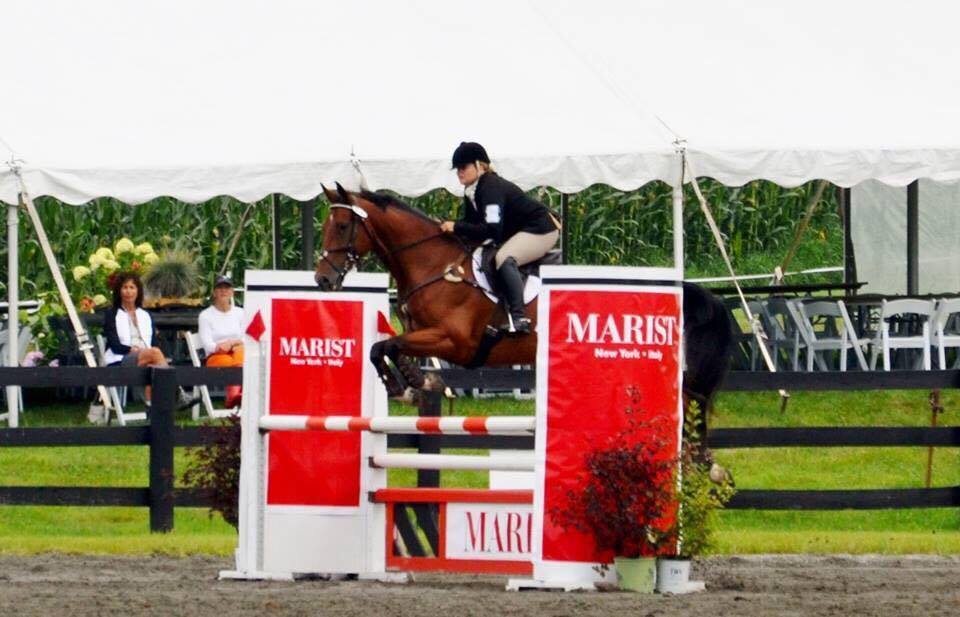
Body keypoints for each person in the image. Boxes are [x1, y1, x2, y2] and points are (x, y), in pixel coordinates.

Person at [440, 142, 560, 335]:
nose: (459, 173)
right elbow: (472, 223)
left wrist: (456, 226)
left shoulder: (490, 187)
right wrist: (454, 227)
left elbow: (491, 230)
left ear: (480, 166)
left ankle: (520, 317)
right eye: (457, 169)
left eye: (463, 167)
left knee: (504, 258)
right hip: (518, 231)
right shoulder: (472, 190)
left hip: (541, 230)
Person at [103, 272, 197, 409]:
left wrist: (147, 352)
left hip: (145, 357)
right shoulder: (112, 313)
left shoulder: (145, 315)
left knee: (154, 364)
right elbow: (114, 345)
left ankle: (151, 406)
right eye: (125, 287)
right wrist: (133, 350)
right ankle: (178, 393)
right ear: (119, 290)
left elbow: (153, 343)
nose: (128, 291)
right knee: (155, 354)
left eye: (132, 287)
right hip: (120, 359)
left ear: (138, 291)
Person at [197, 275, 244, 408]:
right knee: (237, 361)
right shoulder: (205, 315)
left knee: (242, 353)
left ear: (232, 292)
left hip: (237, 352)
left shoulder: (241, 313)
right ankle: (234, 395)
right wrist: (222, 346)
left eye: (227, 288)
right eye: (219, 288)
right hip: (217, 355)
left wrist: (232, 343)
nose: (223, 291)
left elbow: (246, 337)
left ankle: (232, 397)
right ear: (214, 292)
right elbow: (207, 344)